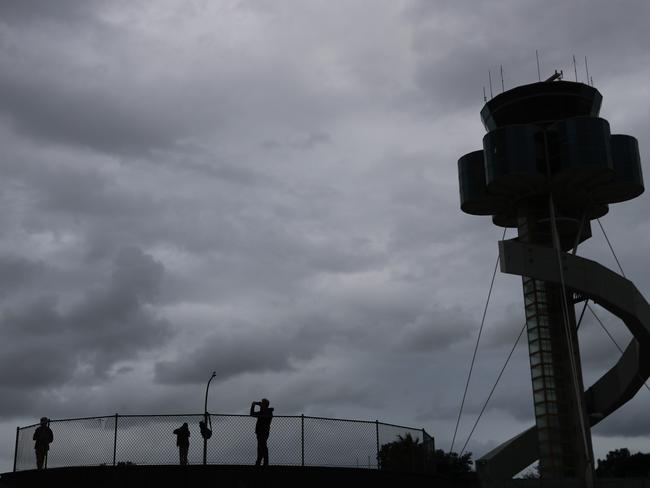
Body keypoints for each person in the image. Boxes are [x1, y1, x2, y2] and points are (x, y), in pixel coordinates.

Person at [250, 398, 274, 466]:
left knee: (262, 447)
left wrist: (253, 405)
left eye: (262, 403)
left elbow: (252, 414)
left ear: (264, 405)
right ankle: (259, 462)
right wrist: (259, 405)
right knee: (260, 447)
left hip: (262, 432)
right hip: (263, 432)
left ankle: (265, 462)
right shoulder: (267, 412)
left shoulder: (265, 412)